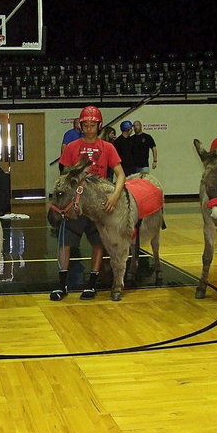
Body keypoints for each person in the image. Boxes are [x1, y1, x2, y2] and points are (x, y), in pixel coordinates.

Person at [51, 105, 125, 301]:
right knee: (65, 242)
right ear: (80, 125)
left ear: (99, 126)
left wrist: (115, 196)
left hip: (97, 207)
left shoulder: (108, 147)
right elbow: (66, 175)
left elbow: (121, 174)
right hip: (74, 206)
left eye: (93, 124)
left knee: (98, 243)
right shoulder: (72, 147)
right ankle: (62, 285)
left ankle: (91, 285)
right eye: (86, 124)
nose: (89, 128)